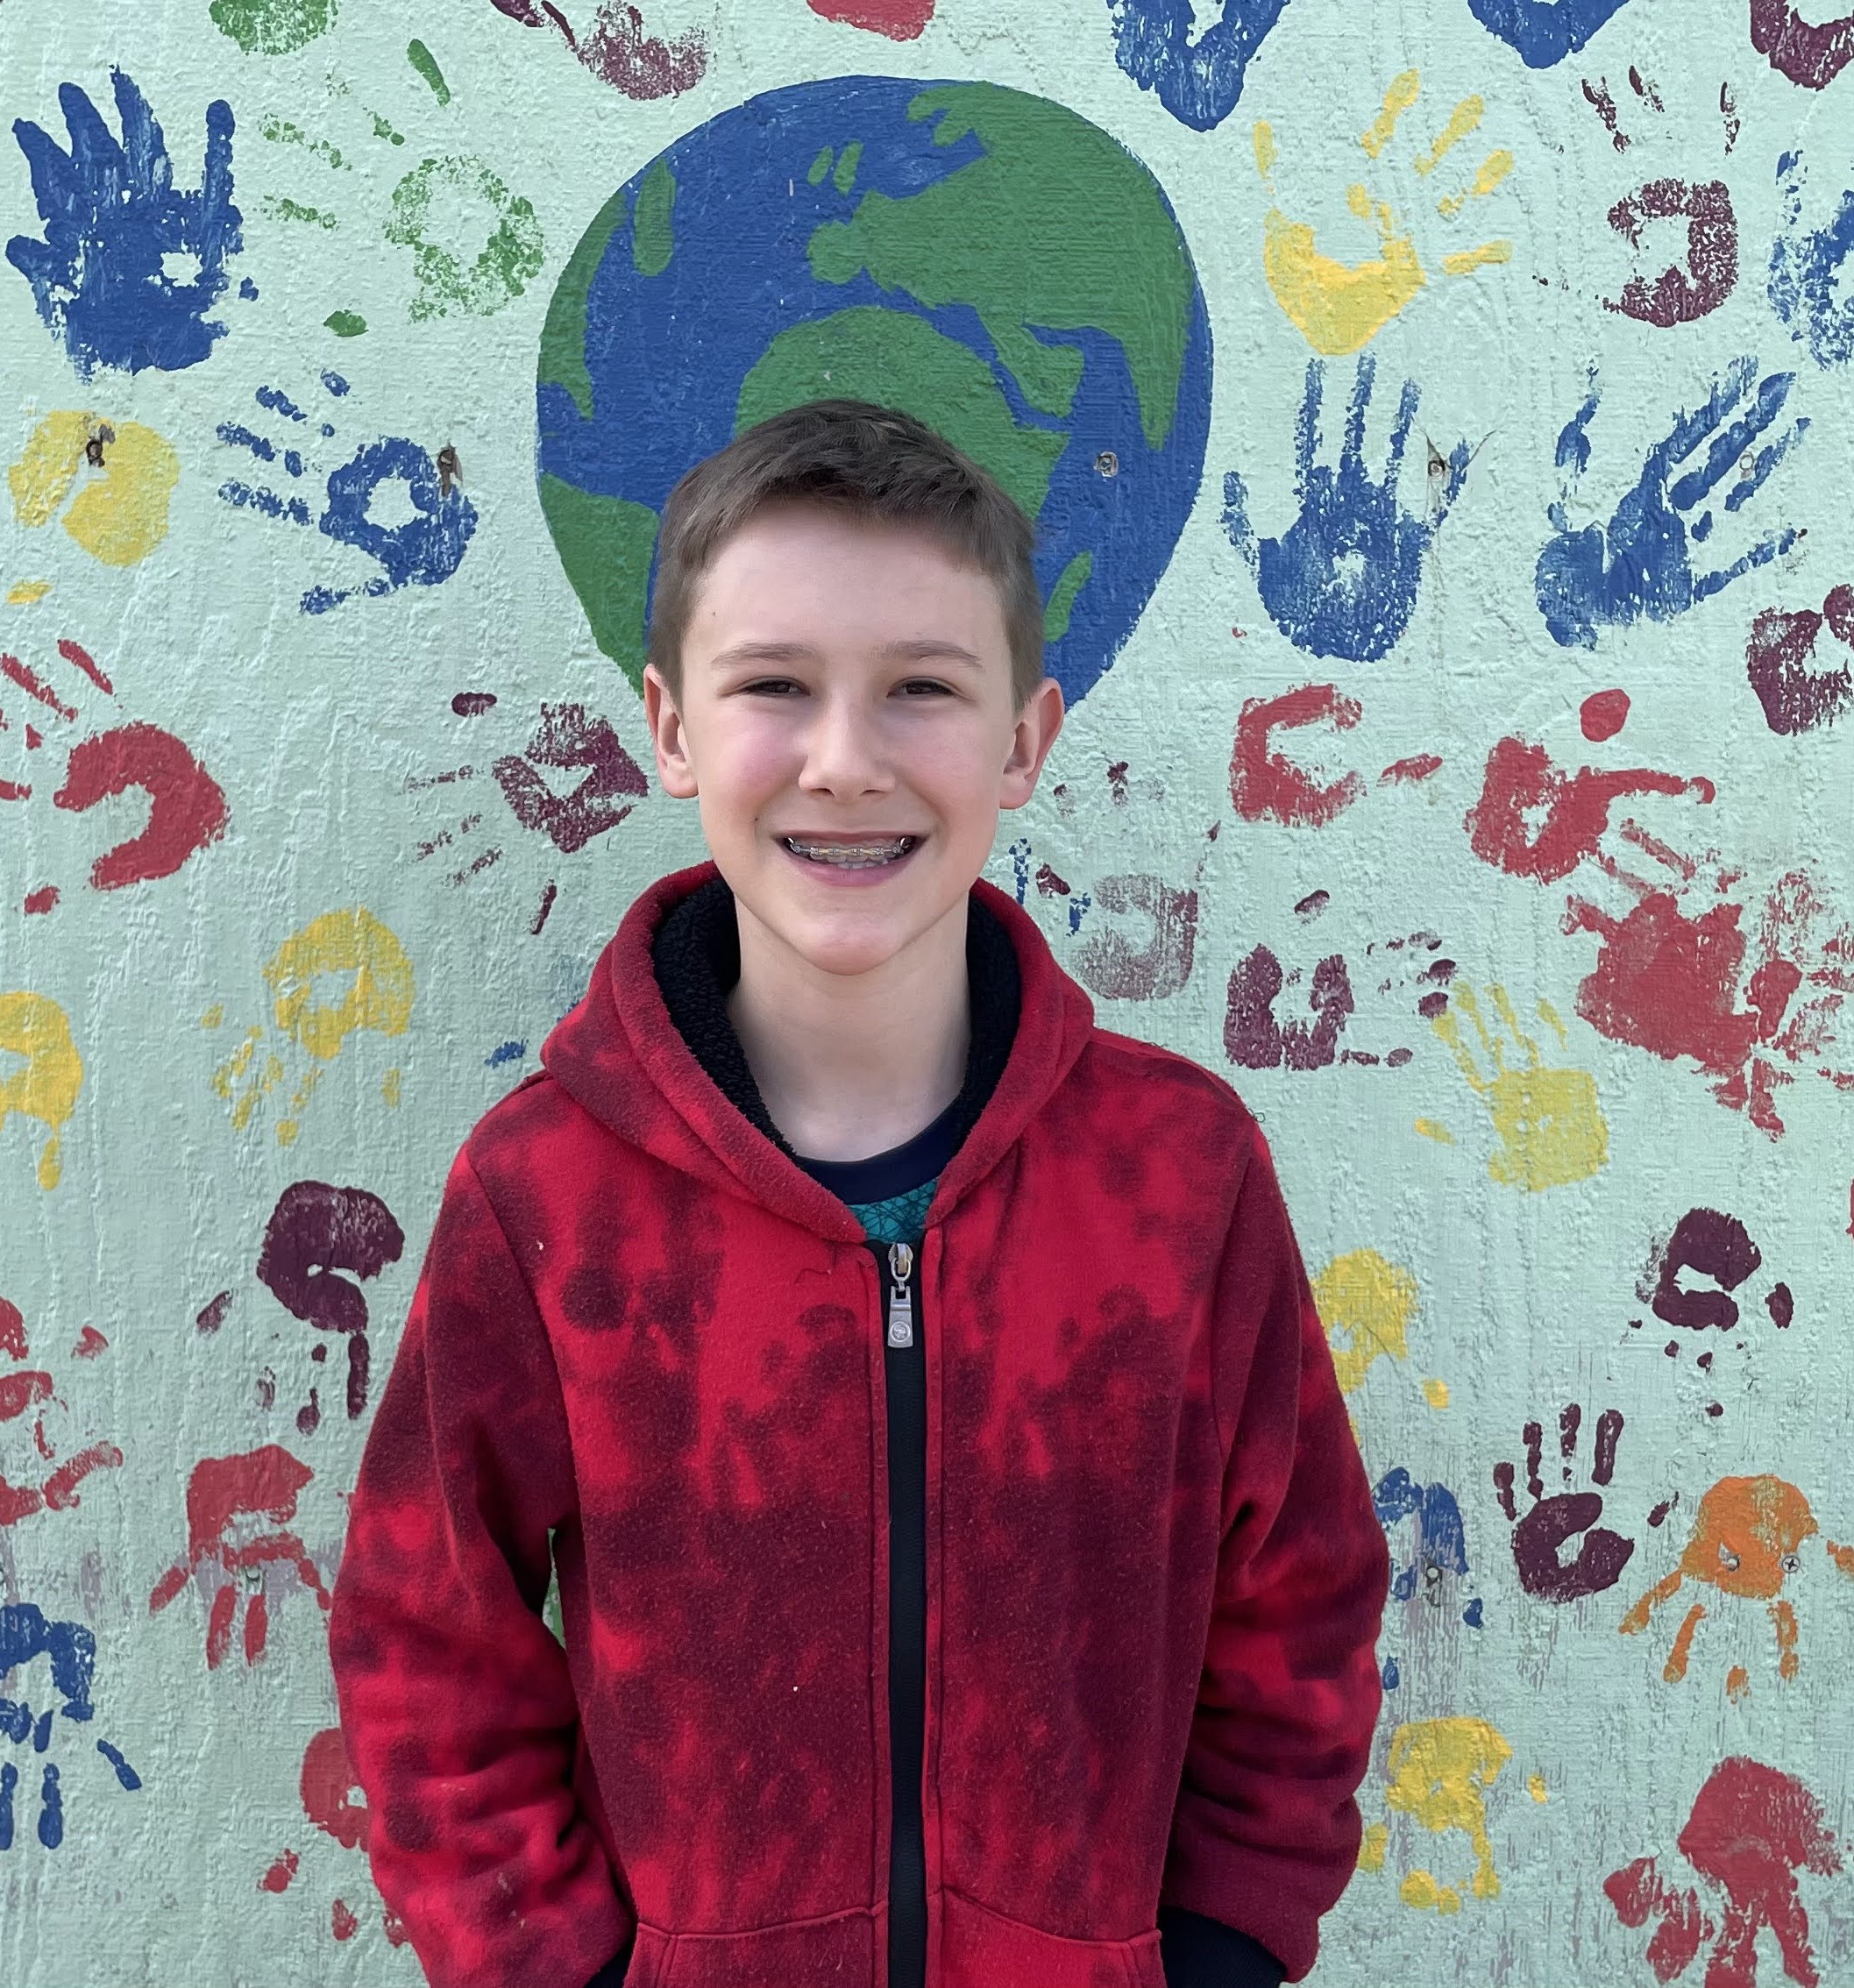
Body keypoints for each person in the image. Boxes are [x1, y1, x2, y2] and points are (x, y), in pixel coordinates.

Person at [329, 401, 1389, 1988]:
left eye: (920, 690)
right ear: (670, 727)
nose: (844, 760)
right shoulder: (545, 1196)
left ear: (1024, 740)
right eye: (773, 687)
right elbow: (432, 1644)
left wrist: (1224, 1949)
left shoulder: (1181, 1179)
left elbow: (1300, 1601)